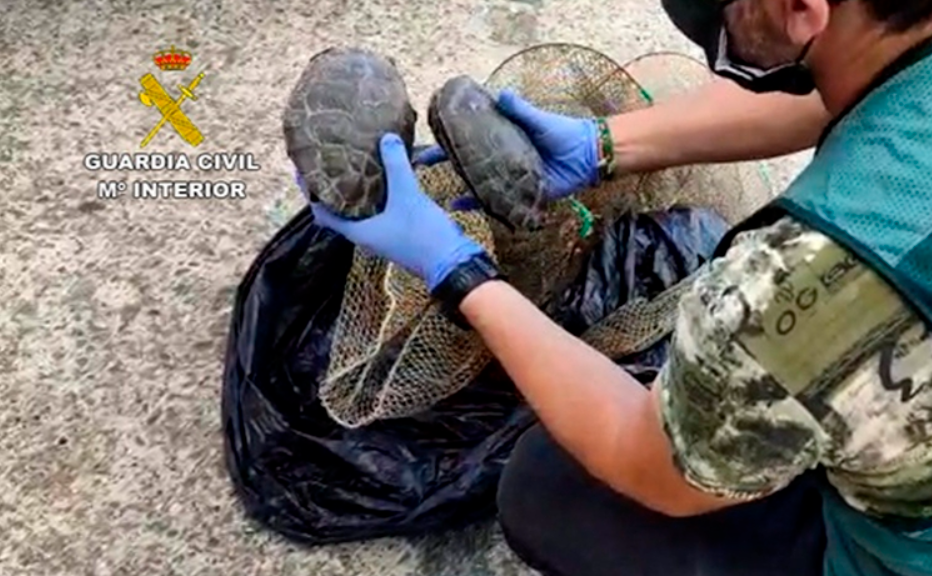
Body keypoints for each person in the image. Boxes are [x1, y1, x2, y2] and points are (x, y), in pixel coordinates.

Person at [304, 0, 932, 574]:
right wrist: (604, 146)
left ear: (800, 7)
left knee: (552, 489)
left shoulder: (796, 284)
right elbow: (834, 91)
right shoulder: (895, 47)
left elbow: (648, 461)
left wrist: (456, 268)